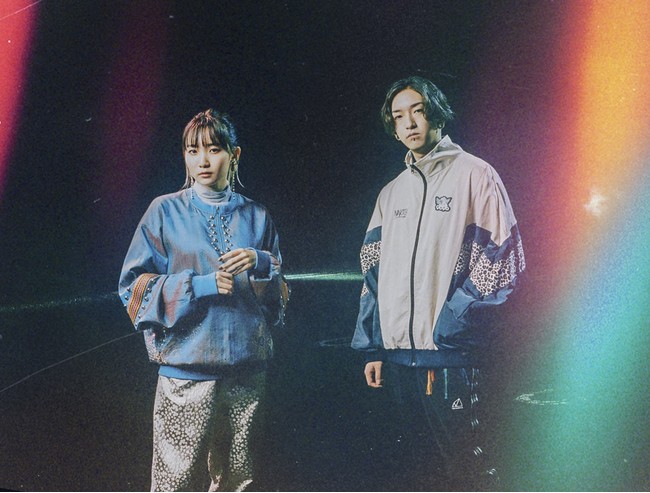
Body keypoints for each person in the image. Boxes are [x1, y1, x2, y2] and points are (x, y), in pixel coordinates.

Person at [352, 76, 525, 490]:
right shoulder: (391, 194)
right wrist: (373, 346)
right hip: (399, 360)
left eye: (418, 111)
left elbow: (503, 257)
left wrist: (453, 322)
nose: (410, 123)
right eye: (399, 116)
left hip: (450, 358)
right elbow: (371, 272)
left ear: (437, 114)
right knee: (418, 473)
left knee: (465, 469)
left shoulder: (475, 175)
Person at [118, 108, 286, 491]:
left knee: (240, 481)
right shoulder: (164, 211)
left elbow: (277, 303)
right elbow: (133, 288)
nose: (203, 160)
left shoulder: (257, 216)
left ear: (235, 155)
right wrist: (200, 285)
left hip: (247, 372)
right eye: (193, 151)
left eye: (214, 149)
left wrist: (261, 262)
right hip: (186, 373)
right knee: (174, 482)